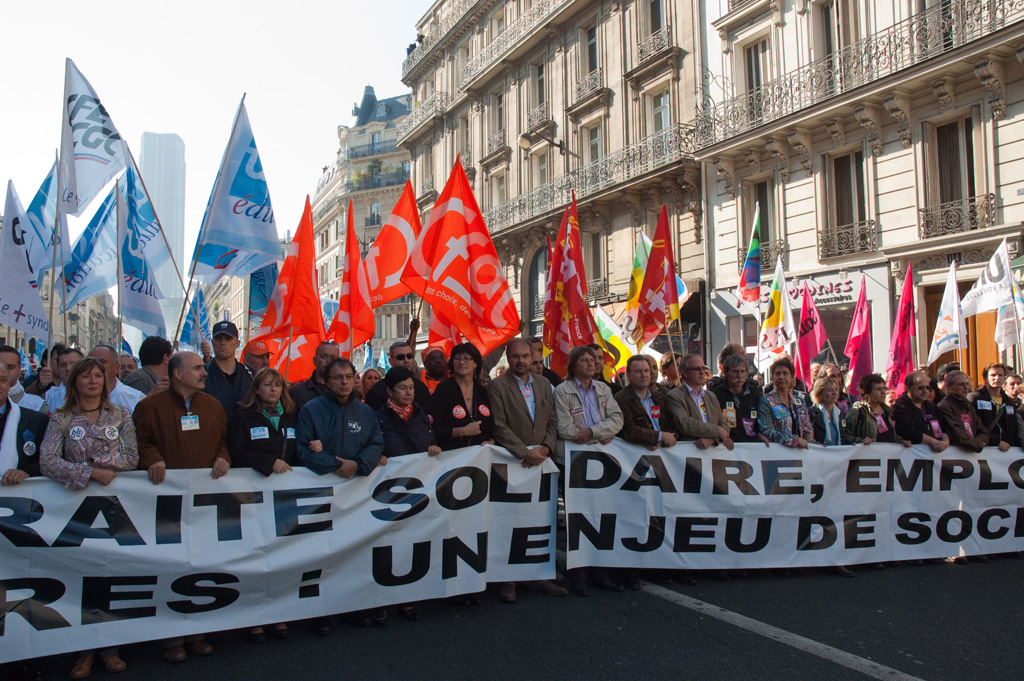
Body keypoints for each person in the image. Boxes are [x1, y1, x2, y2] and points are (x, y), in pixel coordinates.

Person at [39, 357, 137, 678]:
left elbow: (132, 457)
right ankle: (83, 651)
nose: (93, 381)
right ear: (74, 382)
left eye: (98, 375)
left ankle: (111, 648)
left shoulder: (121, 415)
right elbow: (48, 461)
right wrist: (90, 471)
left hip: (114, 508)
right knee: (82, 580)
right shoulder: (62, 418)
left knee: (110, 579)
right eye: (86, 376)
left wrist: (108, 467)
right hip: (76, 509)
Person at [134, 351, 229, 662]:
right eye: (198, 368)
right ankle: (170, 638)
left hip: (204, 505)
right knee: (171, 568)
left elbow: (223, 442)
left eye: (204, 368)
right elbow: (140, 442)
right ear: (176, 373)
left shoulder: (213, 406)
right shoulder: (149, 407)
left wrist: (223, 459)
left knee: (202, 566)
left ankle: (199, 633)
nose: (205, 372)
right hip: (166, 505)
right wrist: (152, 459)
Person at [296, 357, 385, 630]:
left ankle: (354, 606)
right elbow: (301, 450)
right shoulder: (311, 410)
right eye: (338, 377)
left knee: (355, 554)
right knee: (323, 555)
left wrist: (358, 465)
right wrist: (337, 465)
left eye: (349, 376)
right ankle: (321, 612)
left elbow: (376, 442)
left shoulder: (365, 411)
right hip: (323, 496)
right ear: (327, 379)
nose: (345, 382)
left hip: (357, 498)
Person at [489, 339, 566, 601]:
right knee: (511, 521)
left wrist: (546, 447)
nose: (520, 361)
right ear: (508, 358)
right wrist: (525, 452)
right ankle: (508, 580)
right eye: (515, 356)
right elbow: (499, 426)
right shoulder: (498, 386)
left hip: (542, 461)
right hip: (514, 461)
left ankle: (542, 575)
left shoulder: (544, 384)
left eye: (525, 356)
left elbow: (553, 420)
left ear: (533, 356)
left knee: (543, 519)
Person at [226, 367, 296, 642]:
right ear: (256, 389)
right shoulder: (243, 417)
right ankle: (254, 619)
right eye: (267, 385)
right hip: (253, 497)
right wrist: (267, 463)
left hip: (283, 499)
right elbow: (237, 452)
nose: (273, 390)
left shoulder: (290, 415)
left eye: (277, 385)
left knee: (281, 555)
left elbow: (296, 447)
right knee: (256, 556)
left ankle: (278, 613)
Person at [554, 345, 624, 594]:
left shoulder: (604, 389)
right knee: (578, 519)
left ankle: (600, 571)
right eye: (585, 360)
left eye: (594, 360)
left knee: (601, 516)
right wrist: (599, 434)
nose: (592, 364)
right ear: (573, 365)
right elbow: (565, 428)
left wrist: (594, 431)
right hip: (573, 462)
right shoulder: (562, 391)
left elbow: (617, 419)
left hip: (602, 462)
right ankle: (578, 574)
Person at [374, 365, 440, 621]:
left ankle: (408, 597)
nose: (408, 392)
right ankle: (381, 598)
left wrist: (434, 448)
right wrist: (375, 455)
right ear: (389, 391)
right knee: (388, 545)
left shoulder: (423, 415)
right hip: (389, 492)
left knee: (413, 543)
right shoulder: (377, 417)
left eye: (411, 387)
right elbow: (373, 444)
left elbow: (430, 442)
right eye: (402, 388)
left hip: (418, 490)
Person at [428, 342, 494, 451]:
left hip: (481, 458)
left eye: (467, 358)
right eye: (457, 359)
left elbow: (492, 426)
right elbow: (433, 427)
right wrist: (462, 431)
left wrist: (491, 441)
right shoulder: (443, 389)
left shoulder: (482, 391)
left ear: (475, 363)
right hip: (452, 458)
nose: (461, 362)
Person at [666, 354, 734, 450]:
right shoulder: (675, 396)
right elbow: (685, 424)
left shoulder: (711, 396)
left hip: (714, 454)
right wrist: (716, 431)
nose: (702, 372)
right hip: (690, 454)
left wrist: (713, 439)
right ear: (685, 372)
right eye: (696, 369)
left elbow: (724, 423)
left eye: (703, 368)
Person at [0, 367, 50, 487]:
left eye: (2, 380)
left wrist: (26, 472)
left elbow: (48, 459)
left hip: (18, 497)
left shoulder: (35, 420)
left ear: (9, 384)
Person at [757, 356, 813, 448]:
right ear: (772, 378)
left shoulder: (799, 402)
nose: (781, 377)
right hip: (778, 454)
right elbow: (767, 431)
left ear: (792, 377)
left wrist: (810, 443)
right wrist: (795, 440)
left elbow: (808, 429)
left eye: (785, 373)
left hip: (801, 453)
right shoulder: (766, 401)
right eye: (777, 374)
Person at [709, 354, 764, 444]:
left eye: (742, 371)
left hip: (751, 446)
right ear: (725, 373)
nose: (739, 375)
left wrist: (760, 434)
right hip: (726, 446)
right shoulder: (716, 393)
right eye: (735, 371)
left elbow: (760, 419)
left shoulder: (754, 392)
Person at [203, 321, 254, 416]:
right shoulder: (201, 374)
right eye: (218, 338)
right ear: (213, 342)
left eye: (228, 338)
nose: (223, 343)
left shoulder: (252, 375)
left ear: (237, 343)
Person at [892, 371, 950, 453]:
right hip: (914, 456)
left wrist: (946, 442)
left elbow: (944, 427)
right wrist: (935, 443)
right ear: (908, 388)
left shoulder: (931, 406)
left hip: (936, 456)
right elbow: (910, 432)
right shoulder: (901, 407)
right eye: (920, 388)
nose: (925, 391)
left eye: (927, 387)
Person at [967, 363, 1020, 452]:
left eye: (1000, 375)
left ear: (1004, 378)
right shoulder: (974, 398)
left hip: (1008, 452)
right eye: (993, 375)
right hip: (984, 450)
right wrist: (996, 442)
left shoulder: (1009, 402)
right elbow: (974, 426)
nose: (997, 378)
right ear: (985, 378)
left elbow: (1014, 429)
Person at [364, 342, 431, 410]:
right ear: (391, 361)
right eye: (400, 357)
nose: (406, 360)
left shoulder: (421, 388)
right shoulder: (376, 391)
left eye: (409, 356)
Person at [844, 374, 907, 446]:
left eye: (884, 388)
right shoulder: (857, 411)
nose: (883, 392)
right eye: (878, 389)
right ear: (867, 393)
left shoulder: (886, 412)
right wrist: (861, 441)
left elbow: (891, 437)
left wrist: (902, 442)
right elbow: (845, 436)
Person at [937, 370, 990, 453]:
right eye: (961, 384)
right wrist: (977, 444)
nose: (966, 387)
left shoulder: (968, 405)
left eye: (967, 384)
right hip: (955, 455)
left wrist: (978, 442)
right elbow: (956, 433)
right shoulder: (944, 406)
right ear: (949, 387)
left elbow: (983, 431)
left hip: (973, 453)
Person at [86, 346, 146, 413]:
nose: (95, 366)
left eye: (102, 362)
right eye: (90, 362)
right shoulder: (78, 397)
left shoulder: (135, 399)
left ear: (116, 367)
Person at [290, 341, 340, 411]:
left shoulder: (344, 391)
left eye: (333, 358)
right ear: (314, 360)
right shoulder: (297, 392)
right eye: (323, 356)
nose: (328, 361)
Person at [808, 376, 852, 446]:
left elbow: (845, 437)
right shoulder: (811, 414)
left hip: (838, 455)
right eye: (830, 390)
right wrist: (816, 444)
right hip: (819, 455)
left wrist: (858, 442)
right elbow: (807, 438)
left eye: (836, 389)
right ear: (820, 393)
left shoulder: (840, 414)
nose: (835, 393)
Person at [0, 345, 45, 412]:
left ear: (19, 370)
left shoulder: (38, 406)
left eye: (10, 367)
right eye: (1, 367)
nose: (5, 371)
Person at [46, 347, 85, 412]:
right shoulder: (49, 395)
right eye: (63, 365)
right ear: (58, 369)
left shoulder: (96, 394)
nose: (68, 368)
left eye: (73, 364)